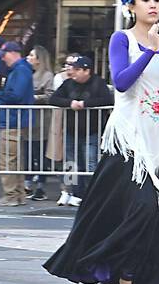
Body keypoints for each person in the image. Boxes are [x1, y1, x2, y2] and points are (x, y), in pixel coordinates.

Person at [44, 0, 159, 284]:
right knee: (139, 211)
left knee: (157, 219)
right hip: (129, 142)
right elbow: (121, 81)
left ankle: (128, 283)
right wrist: (148, 53)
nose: (153, 5)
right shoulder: (123, 39)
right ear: (132, 6)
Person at [48, 52, 112, 206]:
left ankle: (92, 195)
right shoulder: (68, 84)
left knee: (91, 163)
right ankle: (76, 193)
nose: (72, 72)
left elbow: (107, 100)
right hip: (71, 131)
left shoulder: (98, 83)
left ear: (86, 70)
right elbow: (54, 98)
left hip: (92, 130)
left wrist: (85, 104)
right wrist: (70, 103)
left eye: (77, 70)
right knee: (72, 163)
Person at [0, 41, 34, 206]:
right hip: (17, 120)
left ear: (14, 53)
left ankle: (11, 195)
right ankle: (18, 194)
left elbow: (16, 96)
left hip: (12, 120)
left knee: (7, 159)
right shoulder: (23, 69)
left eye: (4, 55)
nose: (3, 59)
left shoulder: (20, 71)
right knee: (16, 159)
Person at [26, 45, 56, 200]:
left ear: (39, 59)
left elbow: (50, 95)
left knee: (40, 152)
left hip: (42, 119)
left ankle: (40, 185)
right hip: (28, 119)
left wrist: (34, 98)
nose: (29, 57)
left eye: (32, 55)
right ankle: (28, 182)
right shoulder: (27, 73)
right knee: (28, 151)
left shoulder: (47, 75)